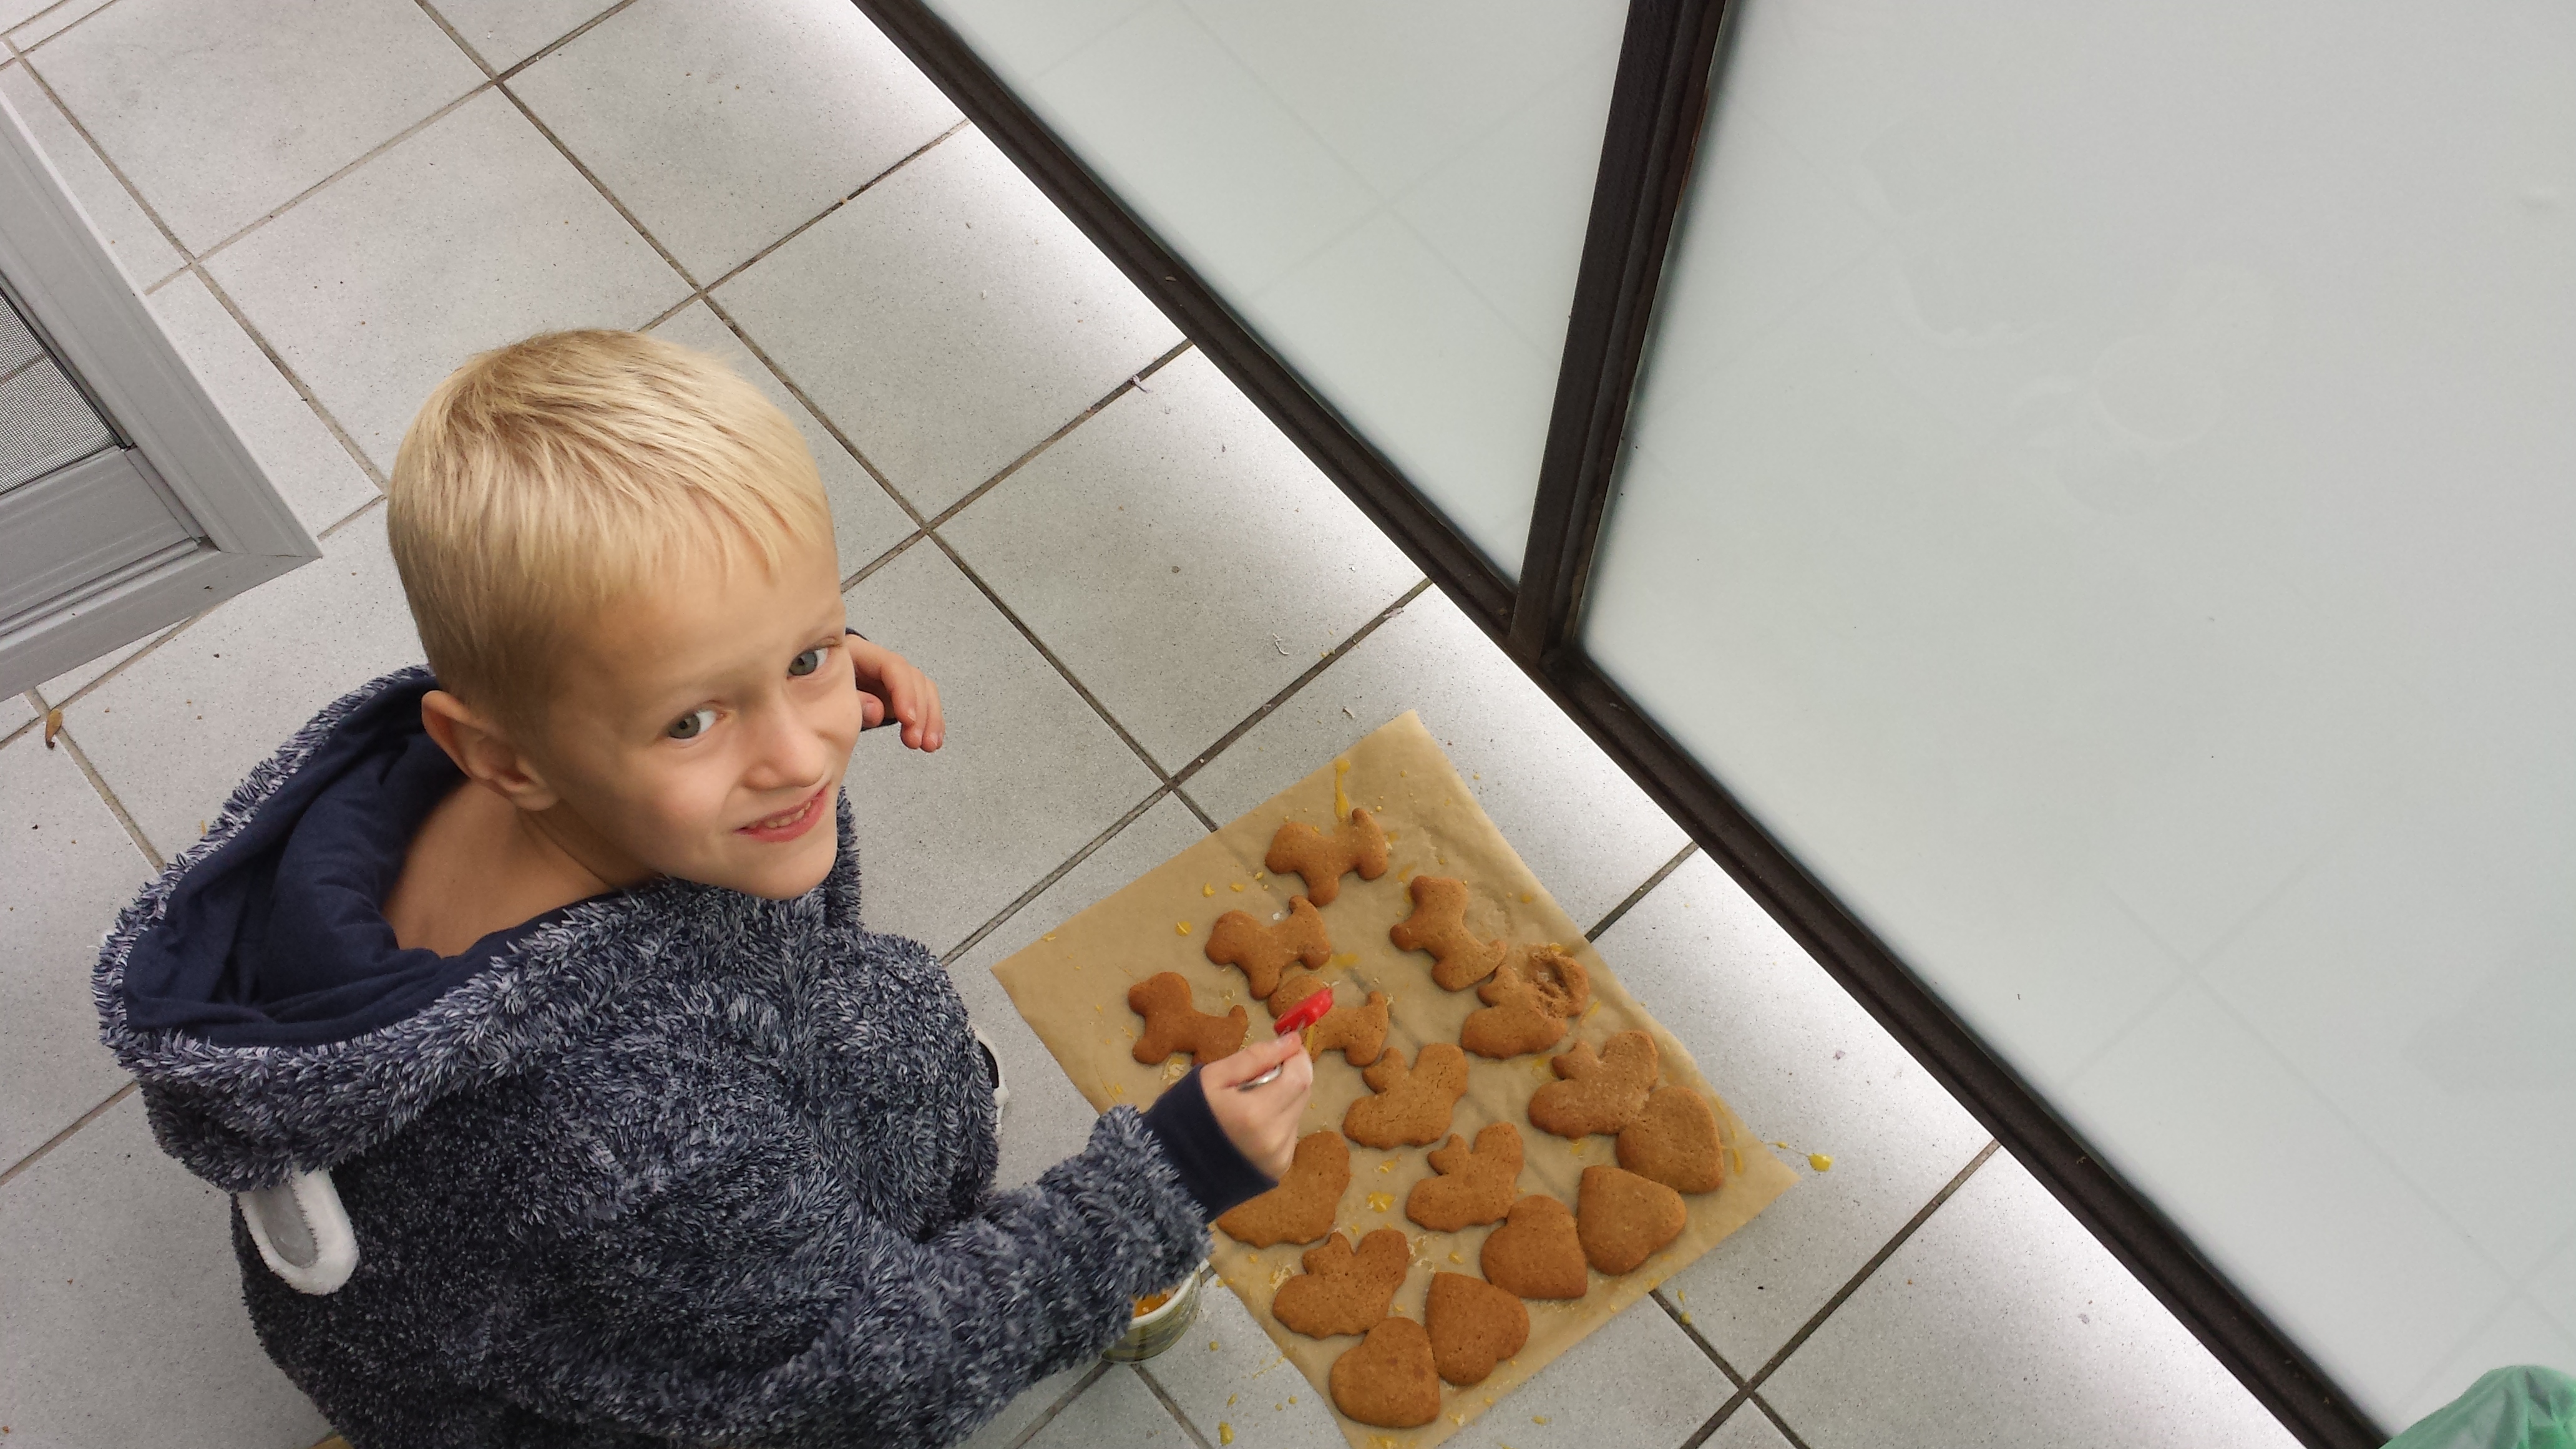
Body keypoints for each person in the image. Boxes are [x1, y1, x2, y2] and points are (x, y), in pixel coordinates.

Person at [92, 330, 1314, 1448]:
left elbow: (687, 702)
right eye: (692, 718)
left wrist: (763, 685)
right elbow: (865, 1381)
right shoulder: (632, 1139)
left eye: (808, 652)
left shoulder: (488, 770)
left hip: (586, 1249)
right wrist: (1163, 1184)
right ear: (503, 757)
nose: (800, 756)